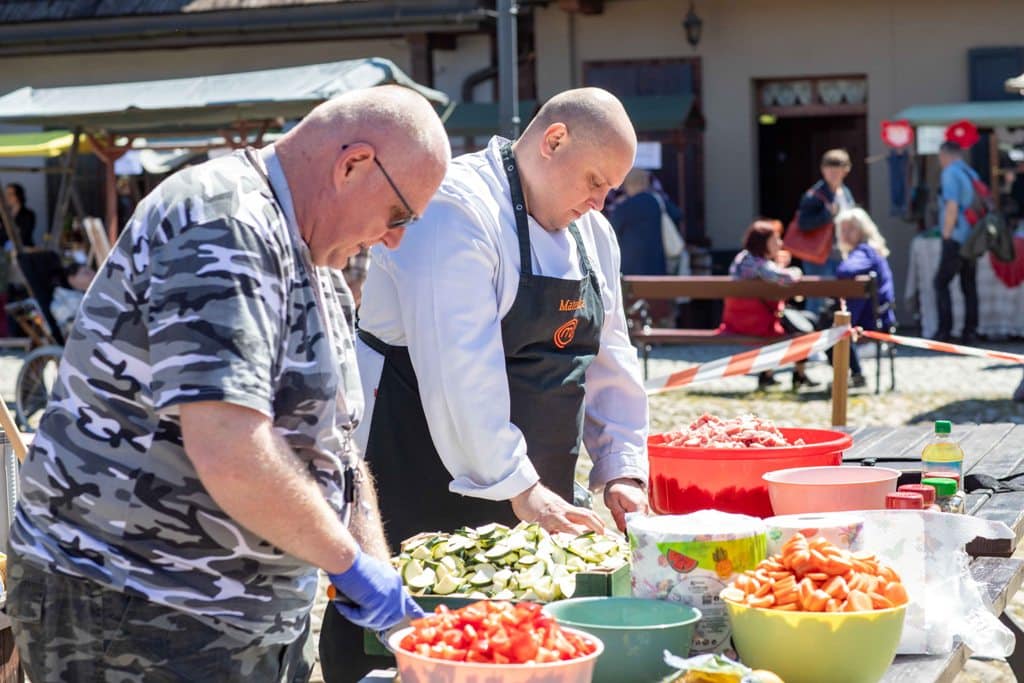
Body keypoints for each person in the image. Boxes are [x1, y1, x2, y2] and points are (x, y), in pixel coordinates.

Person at [5, 85, 450, 683]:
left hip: (242, 618)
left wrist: (376, 569)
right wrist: (348, 564)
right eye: (400, 215)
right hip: (136, 609)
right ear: (353, 165)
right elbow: (230, 450)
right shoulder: (223, 224)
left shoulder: (315, 258)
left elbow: (337, 450)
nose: (396, 238)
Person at [320, 88, 651, 682]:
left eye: (610, 189)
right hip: (419, 471)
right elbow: (459, 371)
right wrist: (518, 485)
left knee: (518, 651)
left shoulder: (593, 233)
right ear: (553, 141)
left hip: (536, 486)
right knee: (407, 644)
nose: (601, 202)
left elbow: (610, 357)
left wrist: (621, 467)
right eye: (595, 181)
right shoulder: (455, 207)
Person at [721, 219, 818, 390]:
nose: (780, 244)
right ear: (763, 243)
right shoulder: (761, 265)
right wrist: (796, 270)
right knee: (803, 328)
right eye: (775, 240)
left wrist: (778, 265)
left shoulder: (742, 259)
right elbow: (787, 278)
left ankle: (768, 375)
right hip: (759, 323)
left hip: (736, 320)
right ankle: (799, 374)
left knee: (794, 322)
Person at [833, 208, 896, 388]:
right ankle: (854, 374)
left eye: (851, 228)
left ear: (863, 229)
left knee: (829, 327)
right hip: (876, 316)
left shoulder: (865, 251)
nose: (846, 234)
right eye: (843, 229)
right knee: (832, 324)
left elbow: (845, 270)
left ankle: (853, 374)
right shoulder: (870, 251)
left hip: (872, 319)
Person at [797, 149, 856, 313]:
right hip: (818, 256)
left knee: (842, 301)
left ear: (846, 170)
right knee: (817, 301)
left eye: (837, 170)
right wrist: (827, 215)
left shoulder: (845, 192)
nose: (833, 174)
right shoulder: (814, 195)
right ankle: (813, 330)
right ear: (823, 170)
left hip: (842, 254)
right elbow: (803, 224)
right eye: (829, 170)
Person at [933, 141, 980, 344]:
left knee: (940, 283)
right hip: (972, 237)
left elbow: (951, 206)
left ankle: (945, 331)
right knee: (968, 285)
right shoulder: (970, 172)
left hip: (956, 236)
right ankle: (970, 331)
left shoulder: (950, 173)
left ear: (945, 155)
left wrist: (946, 234)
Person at [610, 168, 668, 275]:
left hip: (630, 267)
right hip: (656, 265)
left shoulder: (624, 206)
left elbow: (611, 230)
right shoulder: (657, 201)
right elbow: (678, 214)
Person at [49, 262, 95, 337]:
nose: (93, 274)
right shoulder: (58, 304)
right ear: (71, 278)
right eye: (86, 273)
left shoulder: (87, 293)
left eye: (92, 271)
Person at [4, 182, 36, 248]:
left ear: (18, 196)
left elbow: (23, 236)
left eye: (10, 194)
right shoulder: (4, 216)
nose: (7, 197)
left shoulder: (28, 215)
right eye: (6, 195)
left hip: (23, 249)